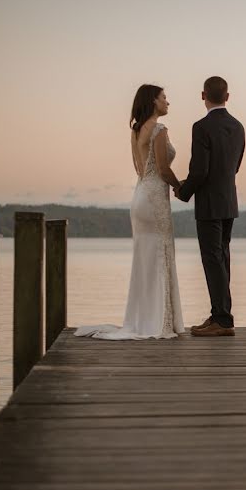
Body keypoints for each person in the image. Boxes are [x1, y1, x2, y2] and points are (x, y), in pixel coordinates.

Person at [75, 84, 185, 339]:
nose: (168, 102)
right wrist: (180, 188)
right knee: (161, 254)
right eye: (164, 98)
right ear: (153, 101)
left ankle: (143, 319)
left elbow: (140, 169)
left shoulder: (136, 131)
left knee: (145, 259)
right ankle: (159, 322)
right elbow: (163, 168)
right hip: (155, 198)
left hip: (140, 196)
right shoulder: (158, 129)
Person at [174, 76, 246, 337]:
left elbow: (200, 170)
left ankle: (223, 321)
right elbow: (234, 166)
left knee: (212, 259)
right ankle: (219, 314)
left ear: (203, 95)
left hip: (209, 203)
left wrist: (183, 192)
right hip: (228, 200)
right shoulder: (238, 127)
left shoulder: (201, 127)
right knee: (222, 258)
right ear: (227, 96)